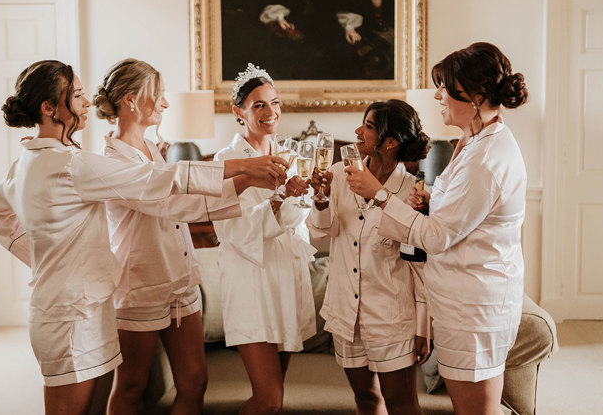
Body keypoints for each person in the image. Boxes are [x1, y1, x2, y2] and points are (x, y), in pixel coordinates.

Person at [0, 60, 288, 415]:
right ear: (49, 108)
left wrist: (43, 258)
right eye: (76, 95)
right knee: (123, 389)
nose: (84, 104)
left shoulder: (60, 159)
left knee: (193, 382)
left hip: (158, 285)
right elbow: (161, 188)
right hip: (111, 296)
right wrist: (244, 169)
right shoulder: (81, 164)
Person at [344, 42, 528, 415]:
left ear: (476, 95)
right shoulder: (473, 140)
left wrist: (379, 194)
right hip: (461, 303)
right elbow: (463, 216)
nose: (437, 94)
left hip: (474, 309)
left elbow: (437, 238)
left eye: (445, 86)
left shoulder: (487, 160)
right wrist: (432, 205)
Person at [93, 58, 271, 415]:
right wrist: (247, 173)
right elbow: (177, 204)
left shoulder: (156, 148)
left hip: (181, 281)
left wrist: (255, 179)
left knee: (194, 382)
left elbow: (184, 192)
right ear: (131, 100)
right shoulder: (112, 164)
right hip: (141, 286)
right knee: (130, 386)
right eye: (157, 94)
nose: (165, 103)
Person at [306, 100, 430, 415]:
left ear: (390, 143)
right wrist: (320, 198)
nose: (358, 131)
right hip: (347, 314)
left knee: (402, 405)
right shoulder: (338, 173)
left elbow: (420, 266)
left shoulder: (412, 193)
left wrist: (423, 324)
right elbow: (323, 232)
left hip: (392, 317)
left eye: (369, 127)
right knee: (365, 399)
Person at [212, 63, 317, 415]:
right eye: (259, 105)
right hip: (251, 282)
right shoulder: (225, 161)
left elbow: (300, 219)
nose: (271, 112)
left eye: (275, 102)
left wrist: (310, 196)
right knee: (268, 398)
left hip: (285, 277)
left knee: (277, 397)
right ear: (238, 112)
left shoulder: (291, 155)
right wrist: (278, 197)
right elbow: (232, 229)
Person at [258, 0, 363, 79]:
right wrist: (280, 17)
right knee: (284, 55)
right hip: (295, 22)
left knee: (337, 55)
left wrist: (349, 27)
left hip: (329, 23)